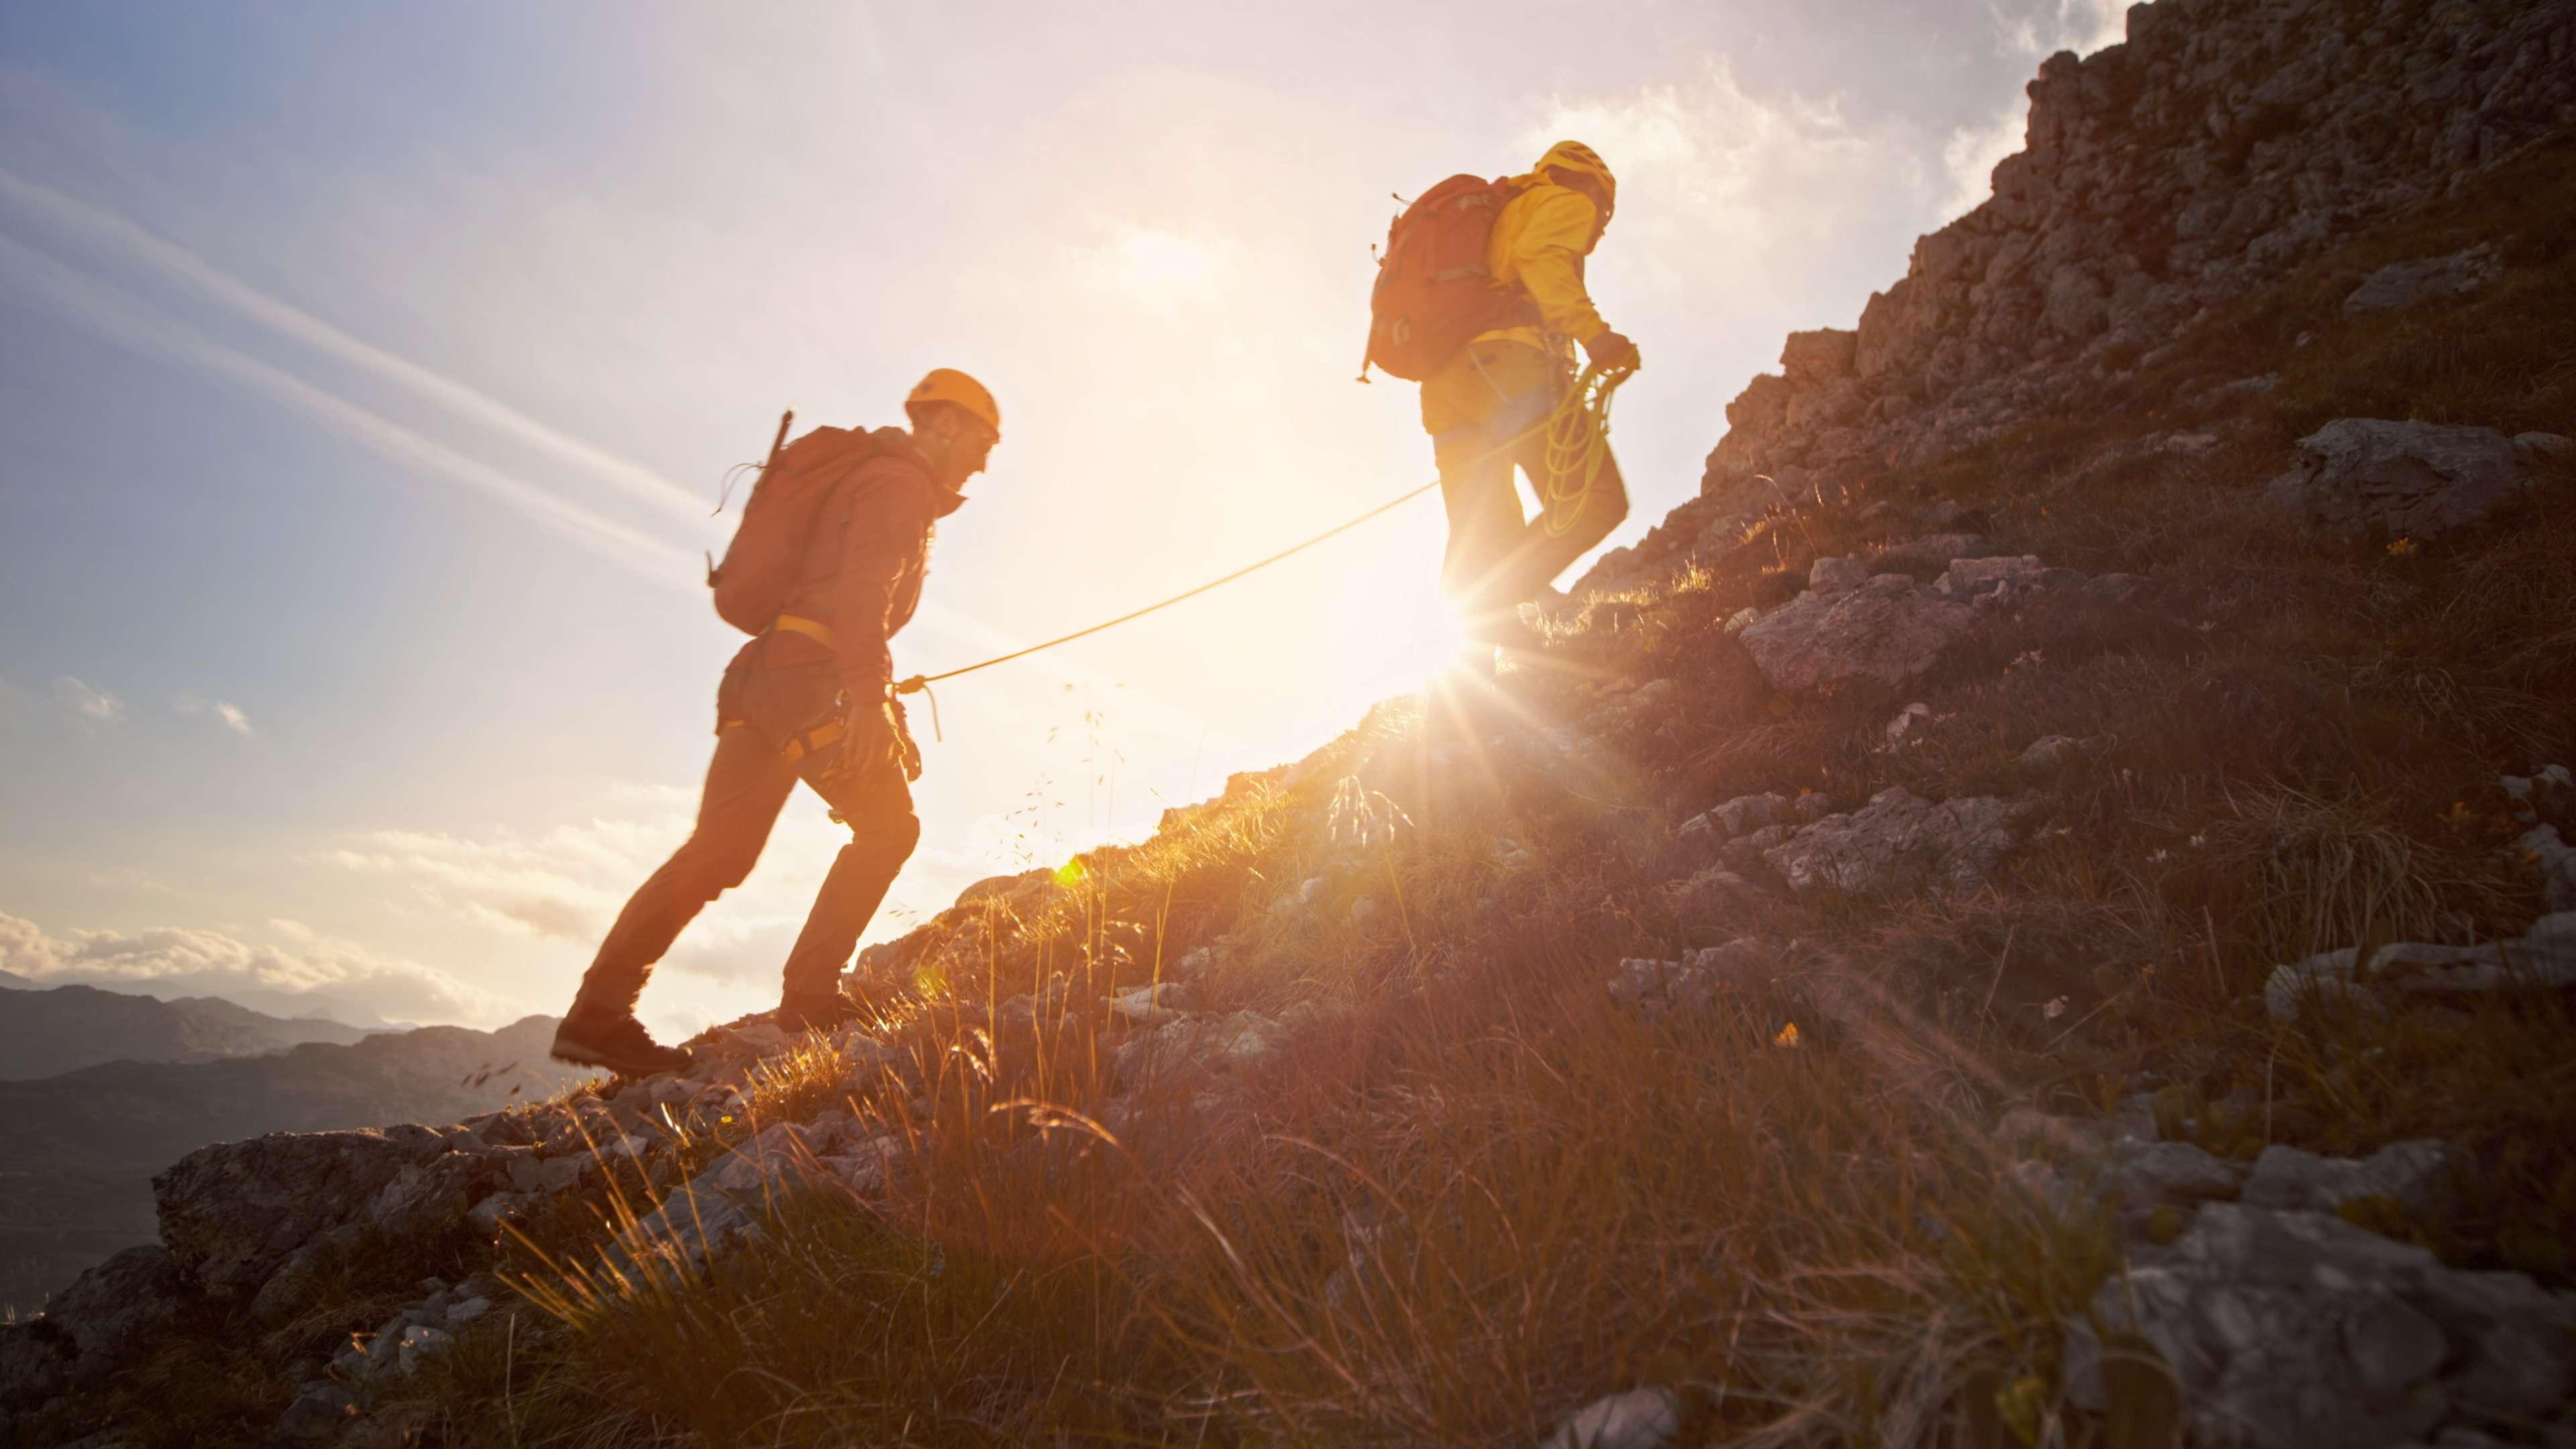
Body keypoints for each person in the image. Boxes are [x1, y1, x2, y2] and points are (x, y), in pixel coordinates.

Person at [549, 369, 1002, 1077]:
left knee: (718, 852)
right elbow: (861, 596)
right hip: (808, 685)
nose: (984, 461)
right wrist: (867, 697)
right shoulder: (900, 484)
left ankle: (596, 1016)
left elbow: (844, 602)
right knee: (889, 828)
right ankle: (811, 998)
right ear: (943, 425)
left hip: (758, 680)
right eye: (983, 439)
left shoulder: (872, 476)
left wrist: (877, 696)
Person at [1417, 140, 1634, 663]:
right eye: (1605, 214)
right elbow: (1541, 257)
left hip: (1446, 393)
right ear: (1593, 187)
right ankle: (1492, 610)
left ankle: (1462, 713)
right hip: (1511, 373)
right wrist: (1595, 335)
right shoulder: (1562, 199)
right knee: (1596, 500)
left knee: (1481, 536)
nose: (1599, 229)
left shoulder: (1501, 212)